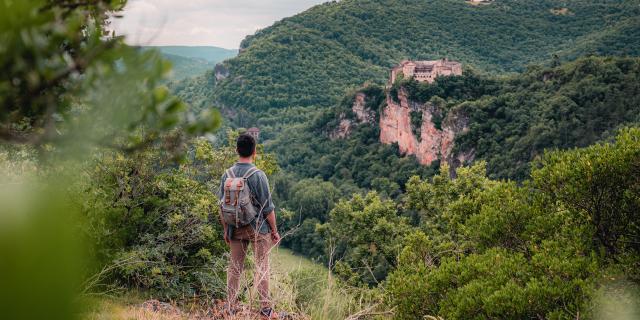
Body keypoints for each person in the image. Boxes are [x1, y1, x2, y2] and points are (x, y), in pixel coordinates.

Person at [218, 133, 281, 319]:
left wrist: (226, 230)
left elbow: (222, 207)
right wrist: (274, 231)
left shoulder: (227, 175)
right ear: (255, 151)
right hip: (258, 229)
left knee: (235, 268)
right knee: (262, 267)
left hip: (235, 228)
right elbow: (268, 208)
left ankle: (229, 306)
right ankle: (265, 309)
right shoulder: (258, 175)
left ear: (237, 150)